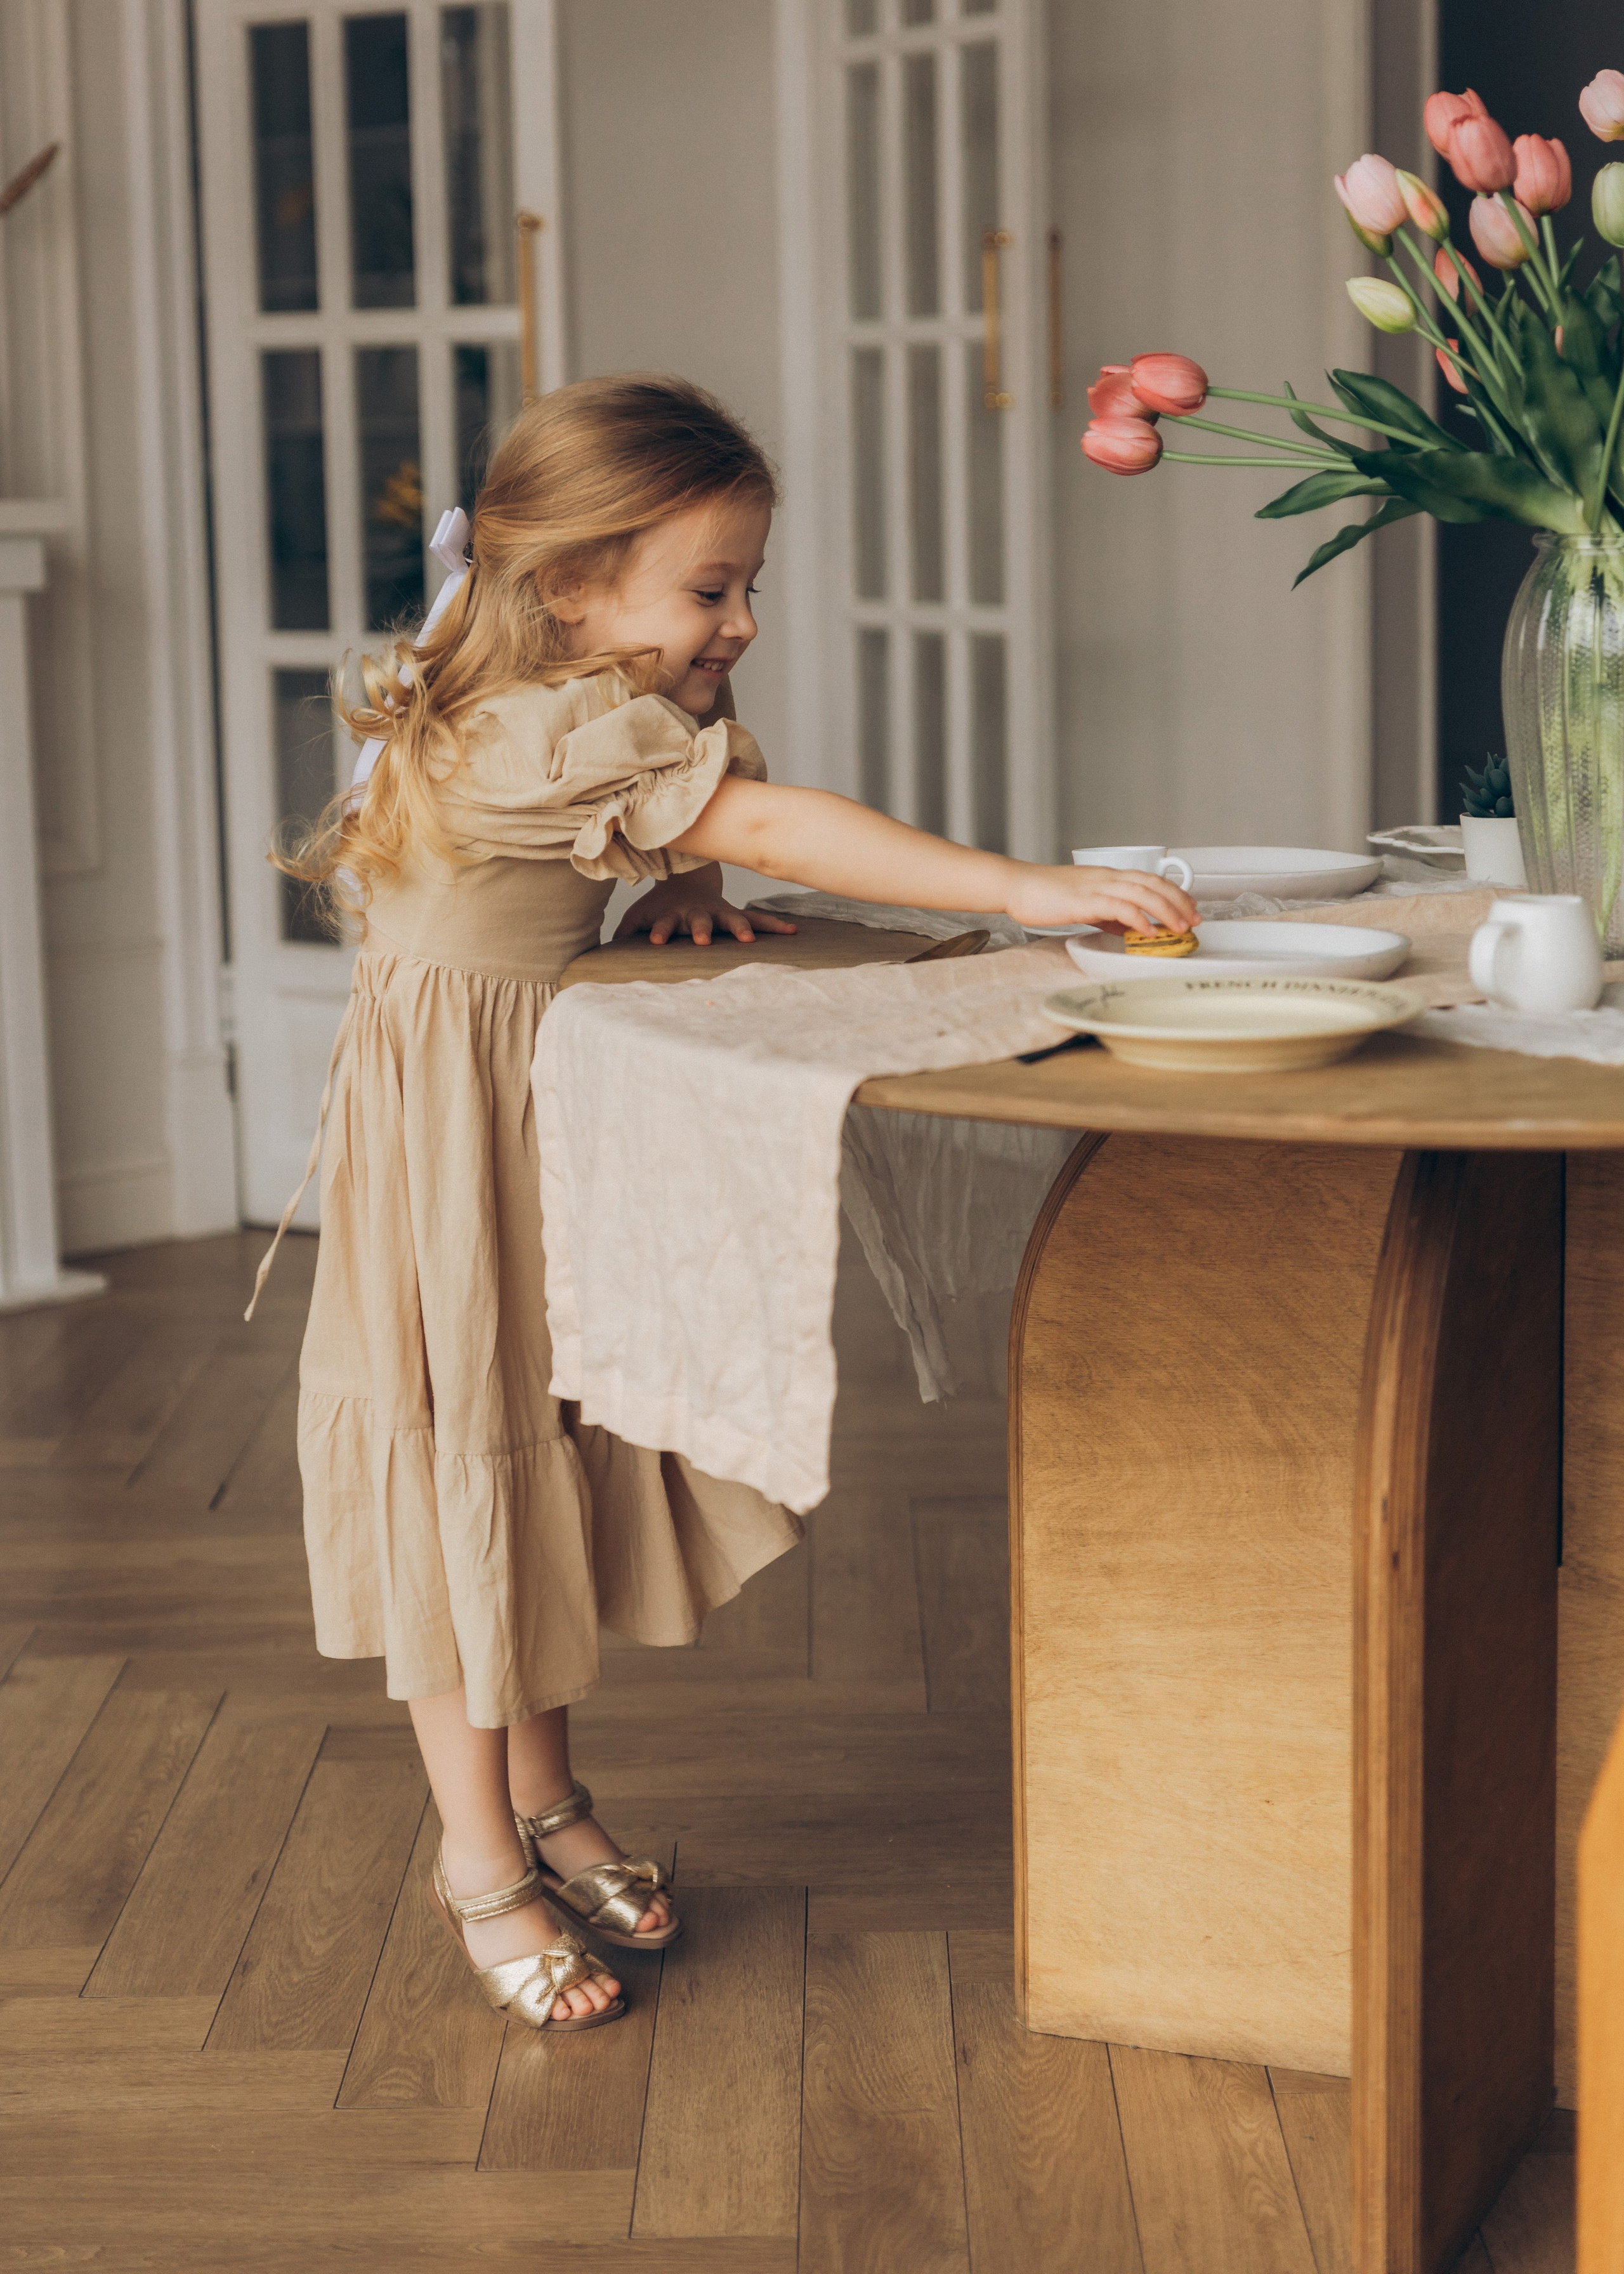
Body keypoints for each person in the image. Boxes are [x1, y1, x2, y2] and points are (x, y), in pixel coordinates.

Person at [267, 374, 1196, 2035]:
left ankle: (547, 1801)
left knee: (530, 1466)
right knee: (456, 1490)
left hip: (521, 1136)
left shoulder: (573, 711)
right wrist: (1015, 888)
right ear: (573, 586)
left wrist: (682, 873)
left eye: (748, 583)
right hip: (444, 1171)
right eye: (713, 588)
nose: (744, 621)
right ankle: (476, 1854)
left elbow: (693, 797)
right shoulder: (530, 729)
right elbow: (761, 808)